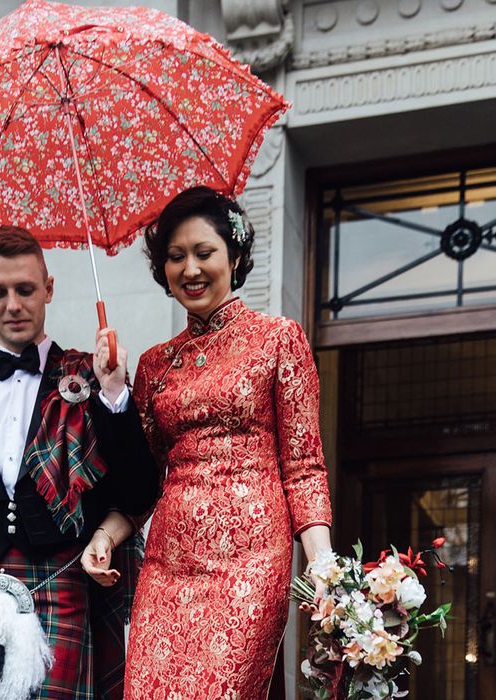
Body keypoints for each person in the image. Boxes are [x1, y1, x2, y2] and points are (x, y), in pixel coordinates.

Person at [0, 225, 158, 699]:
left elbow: (141, 490)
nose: (13, 305)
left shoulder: (90, 377)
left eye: (25, 289)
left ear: (49, 288)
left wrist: (115, 394)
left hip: (57, 583)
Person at [123, 187, 333, 699]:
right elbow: (144, 475)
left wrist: (324, 566)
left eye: (203, 252)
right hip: (168, 564)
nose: (190, 269)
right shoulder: (154, 364)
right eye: (175, 257)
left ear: (234, 257)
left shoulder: (278, 338)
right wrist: (113, 389)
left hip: (250, 561)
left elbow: (303, 465)